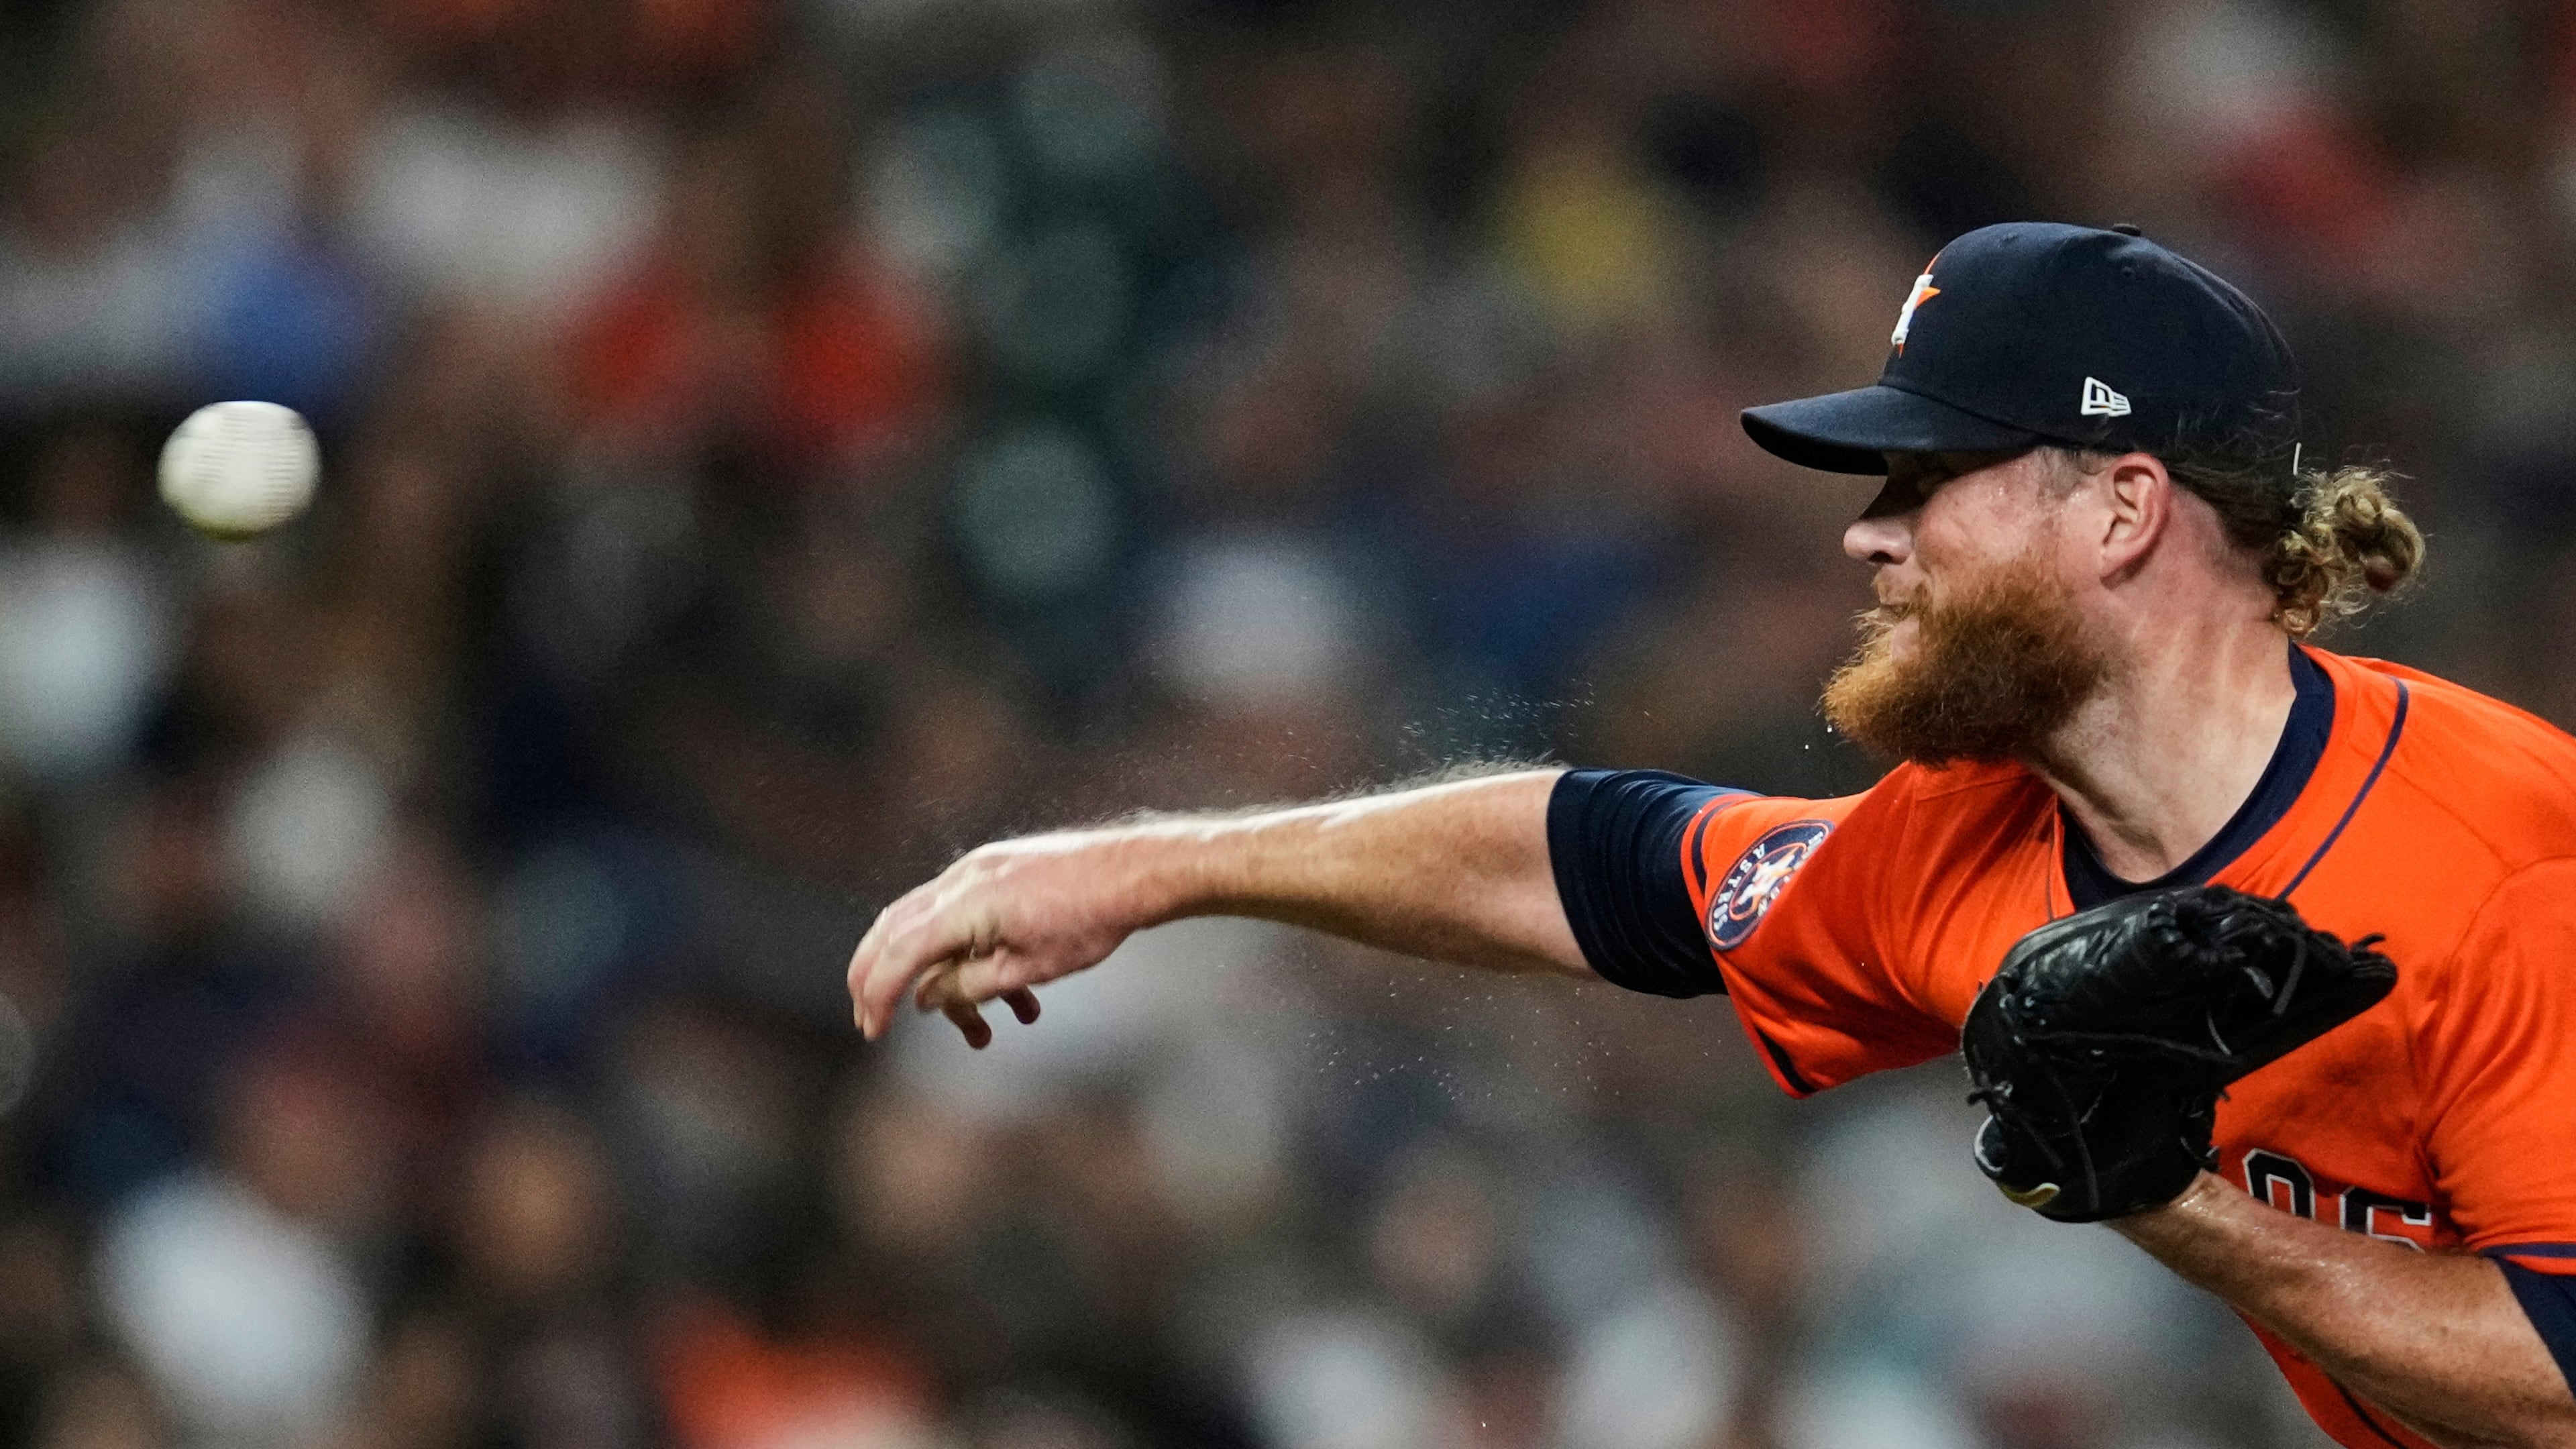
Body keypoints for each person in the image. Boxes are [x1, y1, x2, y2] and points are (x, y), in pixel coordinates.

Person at [845, 223, 2576, 1448]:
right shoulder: (1961, 852)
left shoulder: (2506, 861)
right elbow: (1580, 860)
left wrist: (2164, 1198)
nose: (1868, 539)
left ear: (2122, 508)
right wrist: (1146, 871)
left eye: (1926, 480)